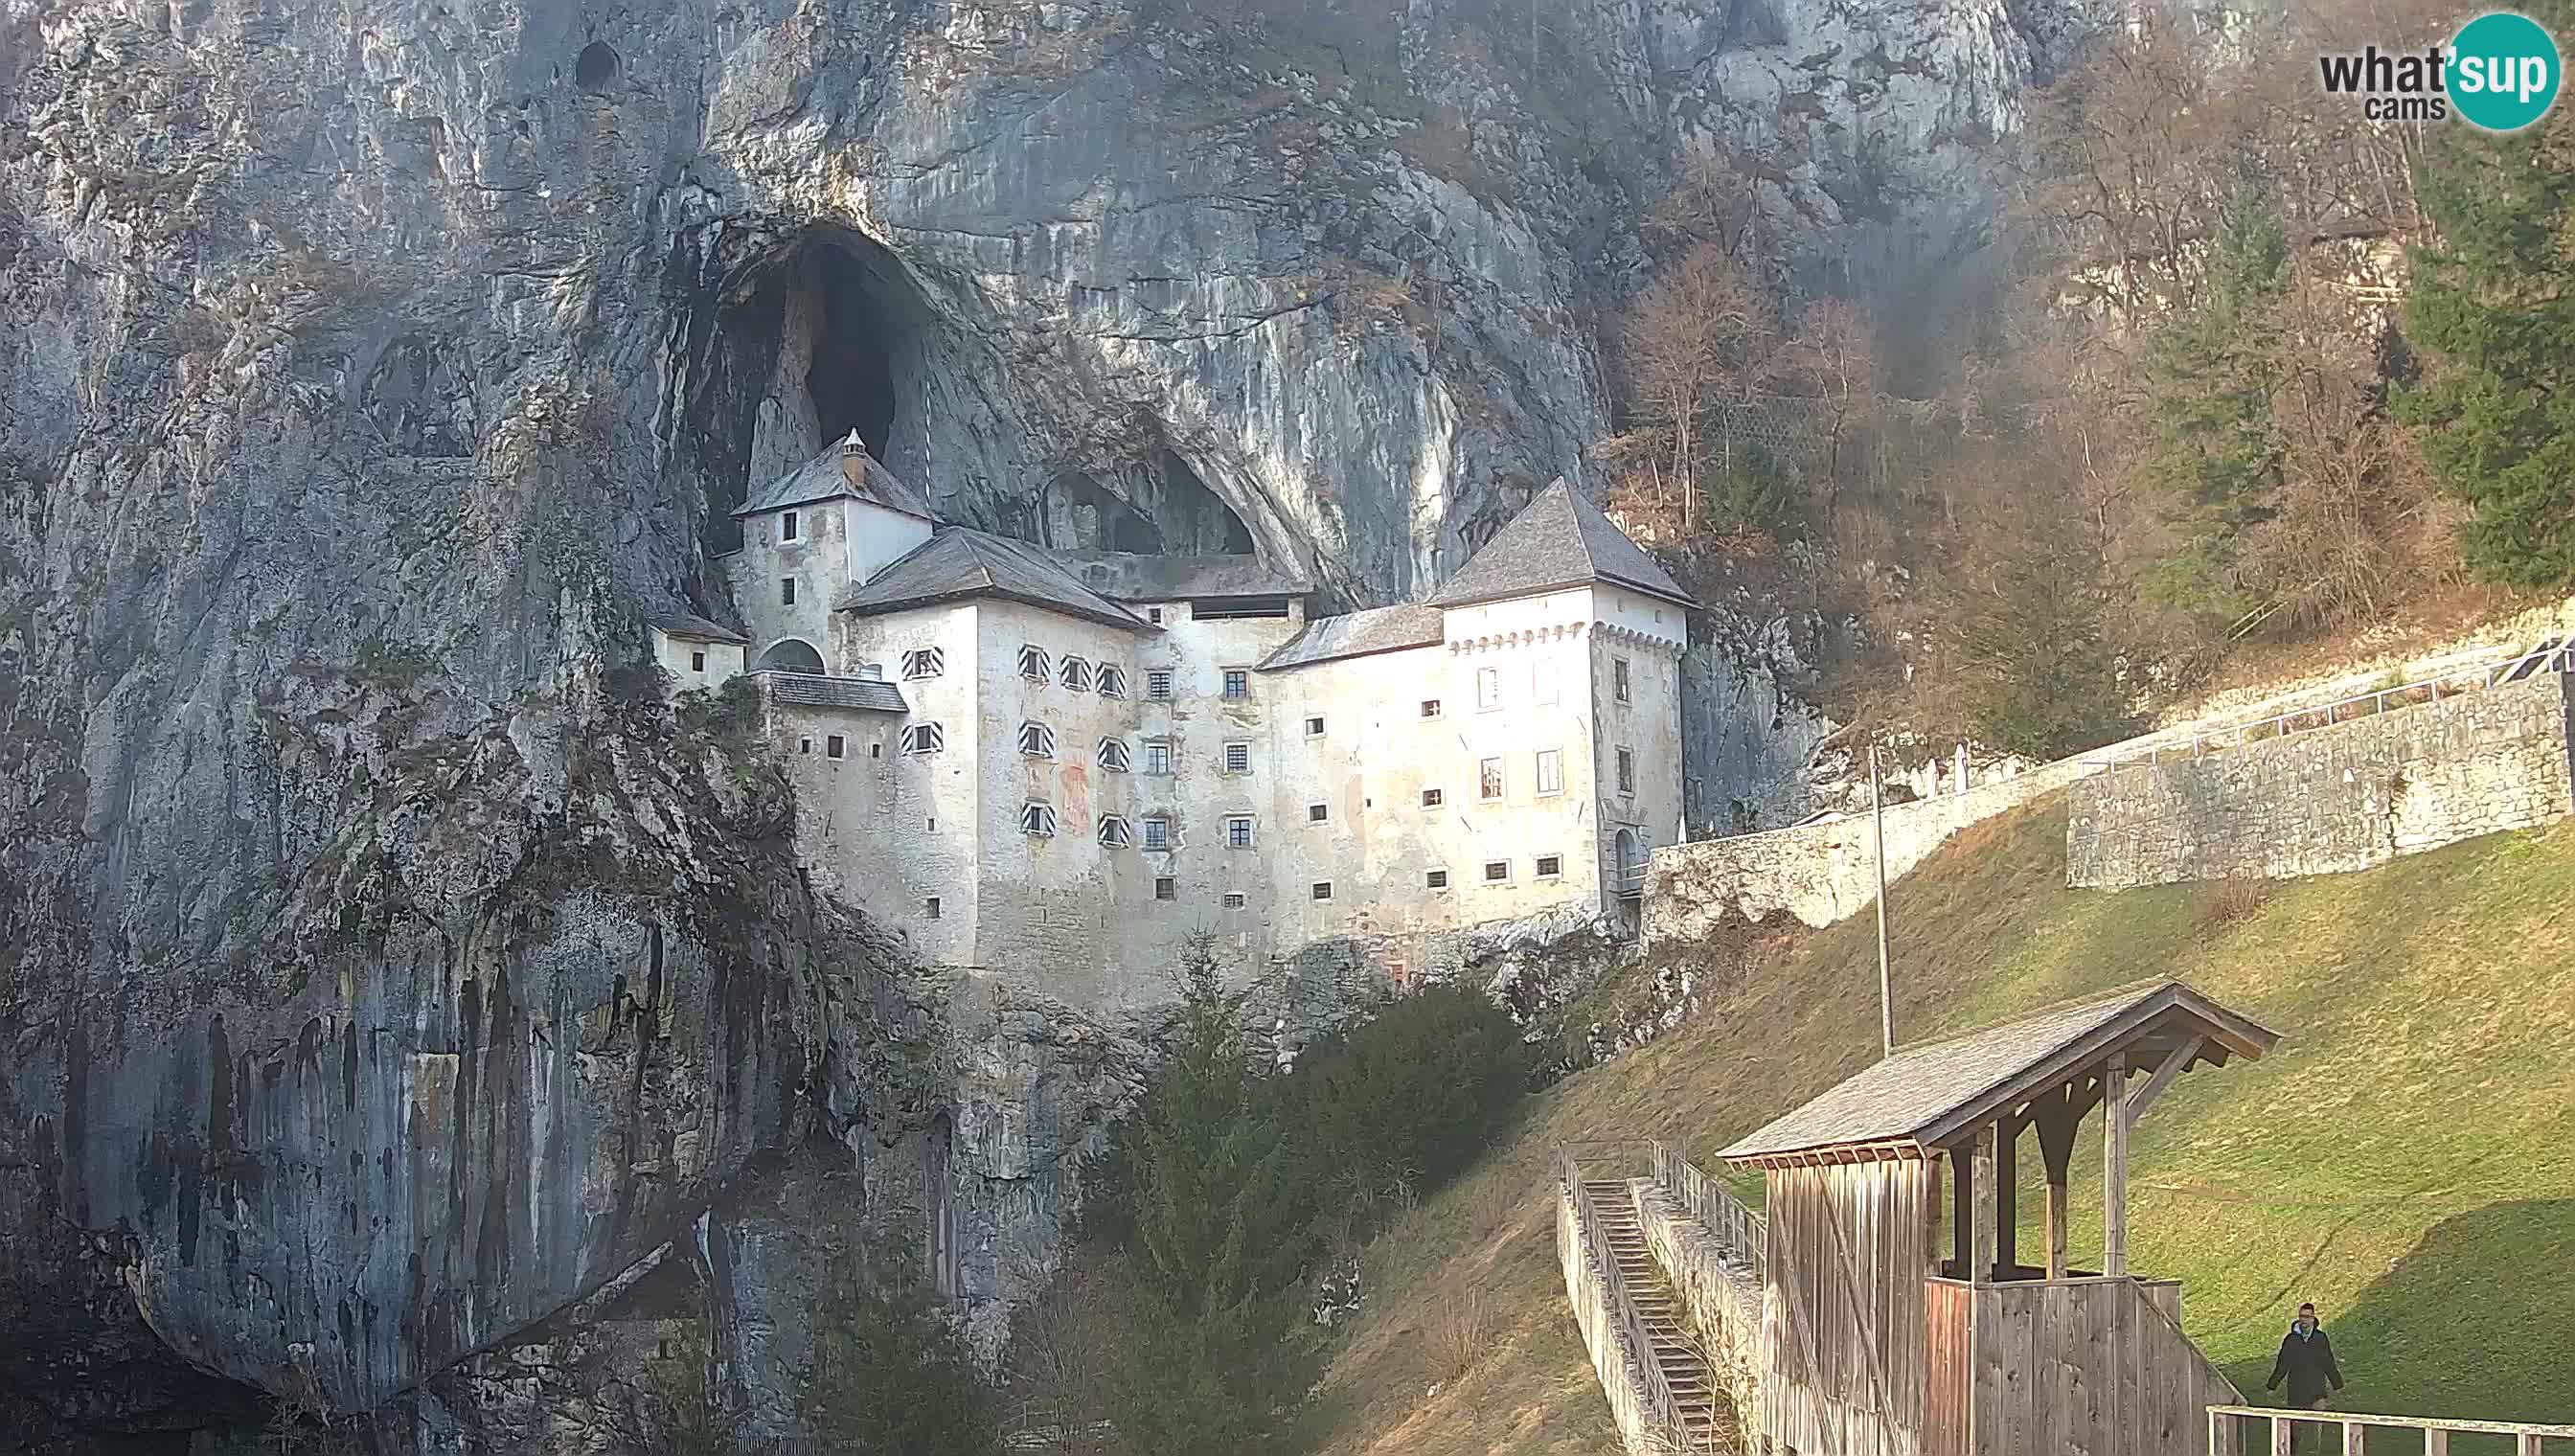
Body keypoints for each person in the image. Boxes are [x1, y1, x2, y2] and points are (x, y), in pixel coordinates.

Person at [2266, 1302, 2345, 1449]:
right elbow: (2283, 1364)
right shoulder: (2291, 1340)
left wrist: (2337, 1384)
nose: (2304, 1320)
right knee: (2296, 1430)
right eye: (2302, 1316)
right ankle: (2293, 1450)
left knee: (2316, 1428)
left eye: (2308, 1317)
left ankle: (2314, 1451)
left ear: (2313, 1319)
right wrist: (2272, 1385)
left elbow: (2328, 1362)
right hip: (2297, 1390)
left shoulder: (2320, 1338)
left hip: (2317, 1390)